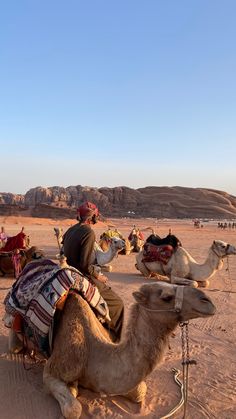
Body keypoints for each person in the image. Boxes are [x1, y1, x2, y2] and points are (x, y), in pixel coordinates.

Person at [62, 201, 124, 341]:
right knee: (118, 304)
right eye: (96, 215)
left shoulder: (71, 230)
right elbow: (84, 264)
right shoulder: (88, 232)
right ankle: (115, 341)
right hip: (81, 275)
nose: (97, 218)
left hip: (68, 271)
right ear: (92, 217)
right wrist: (98, 276)